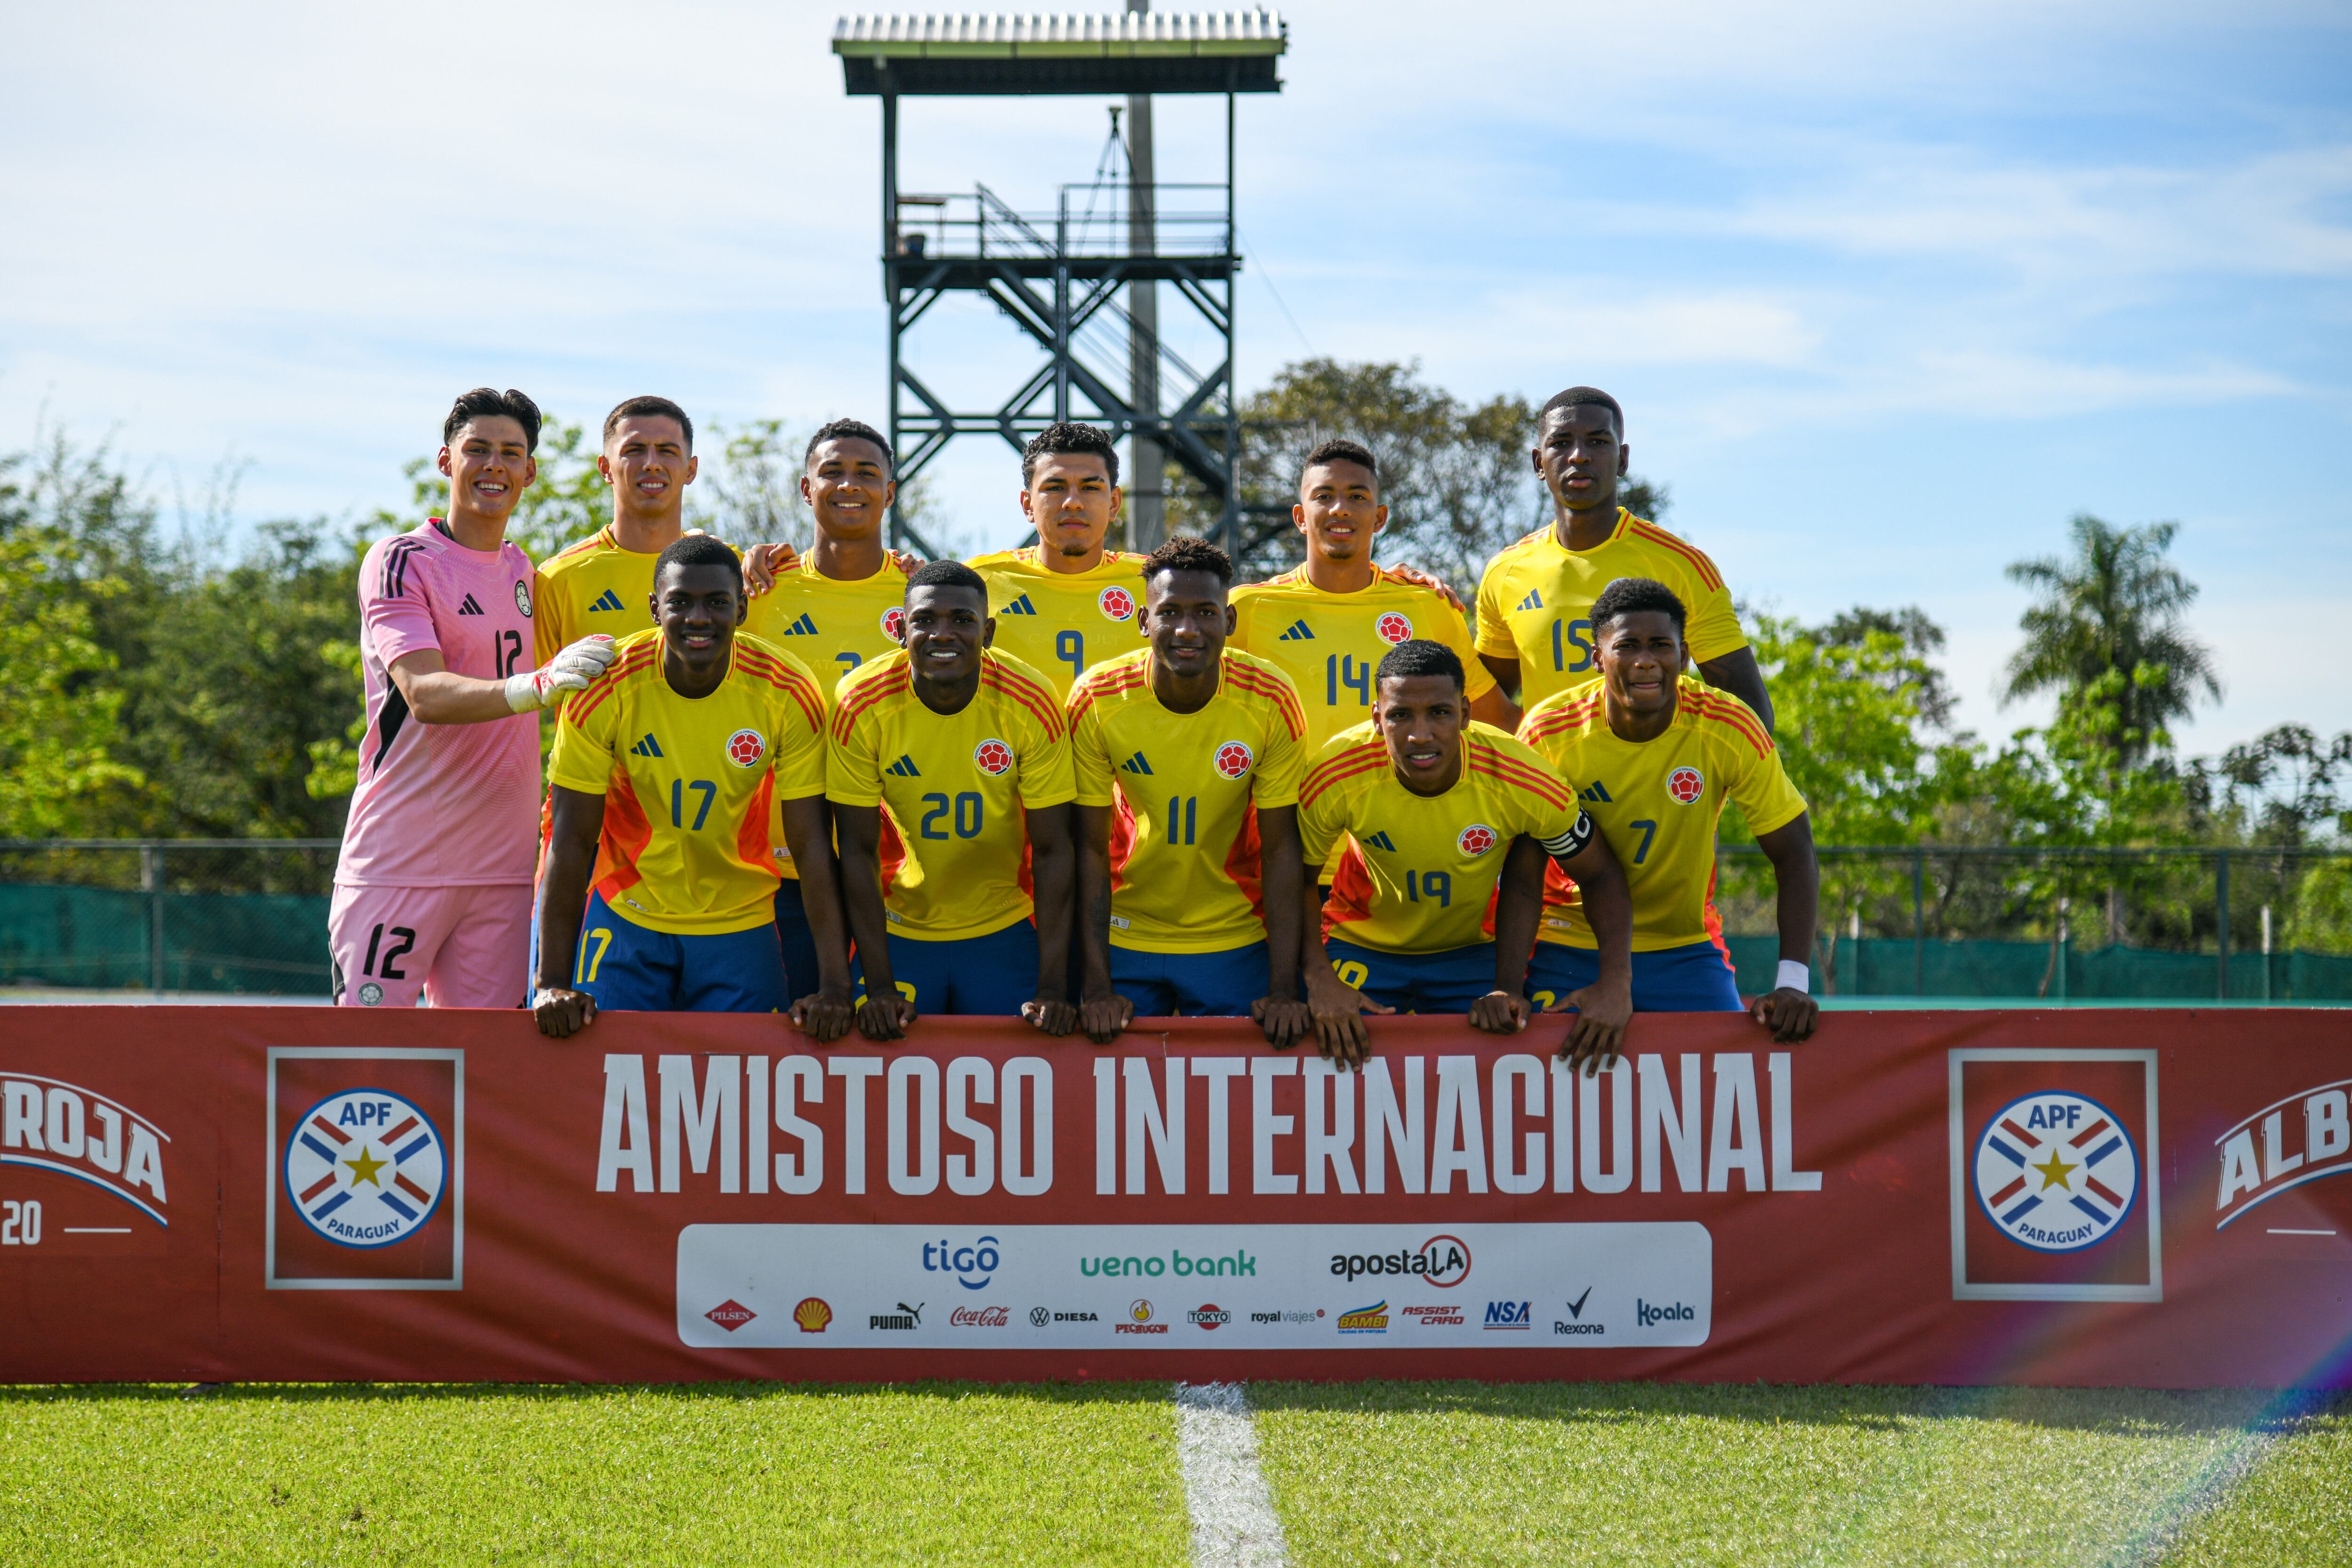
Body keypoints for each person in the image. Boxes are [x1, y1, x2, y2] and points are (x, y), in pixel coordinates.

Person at [328, 388, 617, 1009]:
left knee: (486, 1073)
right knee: (363, 1058)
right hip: (401, 859)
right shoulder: (400, 560)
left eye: (511, 453)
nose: (495, 465)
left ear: (530, 472)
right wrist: (534, 685)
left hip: (504, 870)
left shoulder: (523, 570)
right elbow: (425, 693)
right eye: (477, 449)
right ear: (445, 460)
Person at [531, 535, 857, 1040]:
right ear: (654, 609)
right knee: (611, 1088)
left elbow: (811, 842)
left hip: (739, 922)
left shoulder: (785, 688)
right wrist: (551, 981)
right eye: (680, 603)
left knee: (741, 1099)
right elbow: (572, 837)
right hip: (628, 912)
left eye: (717, 603)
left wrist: (835, 986)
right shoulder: (605, 684)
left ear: (743, 609)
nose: (698, 618)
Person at [1296, 641, 1636, 1066]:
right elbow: (1299, 880)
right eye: (1401, 715)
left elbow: (1599, 873)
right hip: (1363, 945)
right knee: (1325, 1054)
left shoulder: (1523, 778)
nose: (1421, 735)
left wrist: (1518, 988)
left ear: (1466, 715)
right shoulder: (1336, 771)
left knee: (1505, 1057)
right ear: (1378, 719)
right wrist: (1319, 979)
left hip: (1471, 951)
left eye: (1439, 713)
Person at [1517, 577, 1820, 1043]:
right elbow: (1520, 867)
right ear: (1597, 656)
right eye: (1627, 646)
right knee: (1548, 1074)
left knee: (1731, 1075)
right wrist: (1505, 984)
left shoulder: (1729, 725)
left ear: (1683, 657)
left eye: (1660, 645)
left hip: (1684, 947)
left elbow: (1794, 851)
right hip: (1568, 940)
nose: (1644, 660)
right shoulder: (1547, 733)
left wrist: (1792, 983)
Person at [1067, 536, 1312, 1044]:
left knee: (1234, 1106)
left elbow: (1282, 848)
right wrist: (1094, 984)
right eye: (1169, 612)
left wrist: (1285, 986)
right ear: (1142, 621)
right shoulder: (1096, 697)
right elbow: (1087, 848)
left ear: (1229, 622)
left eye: (1205, 612)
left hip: (1232, 938)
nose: (1186, 630)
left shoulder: (1270, 699)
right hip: (1125, 934)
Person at [828, 561, 1078, 1035]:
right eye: (924, 620)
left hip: (1001, 927)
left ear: (987, 632)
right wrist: (880, 986)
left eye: (962, 620)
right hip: (901, 927)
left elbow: (1052, 850)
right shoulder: (859, 701)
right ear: (900, 631)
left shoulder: (1030, 700)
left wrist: (1052, 986)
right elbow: (856, 852)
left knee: (1017, 1081)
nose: (943, 634)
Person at [1474, 387, 1773, 725]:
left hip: (1655, 776)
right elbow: (1483, 709)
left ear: (1623, 459)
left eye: (1598, 442)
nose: (1579, 456)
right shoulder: (1506, 573)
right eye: (1561, 443)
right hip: (1549, 778)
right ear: (1538, 462)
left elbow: (1751, 711)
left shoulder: (1680, 565)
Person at [968, 422, 1151, 699]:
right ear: (1028, 505)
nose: (1073, 503)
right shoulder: (978, 580)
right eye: (1055, 487)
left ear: (1114, 503)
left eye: (1090, 488)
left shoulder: (1154, 582)